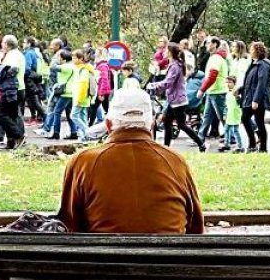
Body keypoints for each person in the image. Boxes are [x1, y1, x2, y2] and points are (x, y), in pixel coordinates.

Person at [58, 88, 204, 233]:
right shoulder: (175, 161)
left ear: (108, 125)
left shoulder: (83, 163)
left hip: (103, 255)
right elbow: (196, 227)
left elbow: (70, 224)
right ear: (151, 124)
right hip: (166, 255)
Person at [148, 44, 206, 152]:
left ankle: (201, 144)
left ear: (170, 52)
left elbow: (168, 83)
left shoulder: (174, 66)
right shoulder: (174, 64)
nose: (163, 52)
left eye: (166, 50)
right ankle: (166, 148)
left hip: (177, 101)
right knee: (167, 123)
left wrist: (153, 85)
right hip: (174, 100)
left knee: (182, 125)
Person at [196, 37, 230, 143]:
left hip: (218, 92)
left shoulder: (216, 58)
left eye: (208, 43)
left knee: (222, 117)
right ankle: (200, 138)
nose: (206, 45)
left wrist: (202, 89)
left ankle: (232, 137)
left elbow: (212, 76)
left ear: (215, 44)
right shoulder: (214, 57)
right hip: (212, 92)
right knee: (207, 116)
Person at [239, 41, 270, 153]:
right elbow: (249, 81)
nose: (250, 51)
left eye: (252, 49)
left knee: (250, 120)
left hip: (257, 99)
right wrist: (240, 90)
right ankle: (258, 146)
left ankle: (257, 146)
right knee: (257, 122)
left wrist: (256, 100)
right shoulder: (254, 63)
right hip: (250, 97)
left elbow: (261, 83)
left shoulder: (263, 65)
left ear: (257, 51)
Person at [67, 49, 95, 141]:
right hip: (83, 97)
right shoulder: (81, 69)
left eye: (74, 58)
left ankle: (88, 132)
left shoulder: (83, 70)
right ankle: (85, 137)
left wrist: (79, 99)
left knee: (73, 116)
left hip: (81, 98)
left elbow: (83, 86)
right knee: (83, 117)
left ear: (80, 59)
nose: (73, 60)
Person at [218, 75, 244, 152]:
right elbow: (226, 105)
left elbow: (240, 103)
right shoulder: (227, 93)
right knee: (226, 130)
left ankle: (240, 146)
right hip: (229, 115)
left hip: (235, 114)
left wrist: (237, 97)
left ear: (234, 83)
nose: (228, 84)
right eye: (227, 82)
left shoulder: (236, 92)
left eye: (230, 82)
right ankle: (226, 144)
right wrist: (225, 114)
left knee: (235, 131)